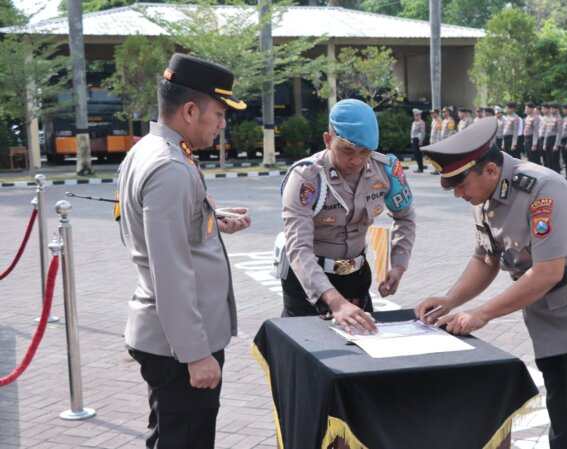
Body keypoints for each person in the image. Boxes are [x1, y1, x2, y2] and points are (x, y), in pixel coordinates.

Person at [416, 117, 567, 449]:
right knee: (562, 429)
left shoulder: (541, 189)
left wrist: (481, 314)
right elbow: (486, 259)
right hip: (552, 324)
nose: (459, 194)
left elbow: (548, 272)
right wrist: (450, 301)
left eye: (461, 184)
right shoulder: (485, 198)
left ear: (490, 170)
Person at [116, 53, 252, 449]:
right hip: (179, 347)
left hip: (167, 338)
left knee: (170, 436)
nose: (223, 124)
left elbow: (153, 227)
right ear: (191, 110)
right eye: (220, 113)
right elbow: (170, 271)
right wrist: (195, 354)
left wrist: (210, 215)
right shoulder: (171, 168)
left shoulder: (151, 150)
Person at [278, 99, 416, 333]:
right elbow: (298, 248)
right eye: (347, 151)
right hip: (309, 281)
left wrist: (398, 265)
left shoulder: (386, 170)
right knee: (309, 354)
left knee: (363, 354)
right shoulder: (307, 178)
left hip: (356, 277)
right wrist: (336, 302)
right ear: (328, 140)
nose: (356, 161)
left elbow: (405, 217)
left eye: (365, 152)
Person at [410, 108, 426, 173]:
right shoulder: (414, 122)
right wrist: (411, 139)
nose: (416, 116)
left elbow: (422, 132)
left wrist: (421, 141)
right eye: (415, 115)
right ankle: (419, 166)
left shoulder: (421, 122)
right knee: (416, 154)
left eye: (417, 115)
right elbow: (412, 132)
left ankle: (420, 168)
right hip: (414, 139)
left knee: (418, 154)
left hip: (418, 139)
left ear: (419, 115)